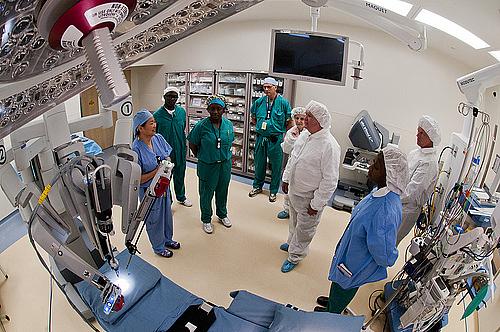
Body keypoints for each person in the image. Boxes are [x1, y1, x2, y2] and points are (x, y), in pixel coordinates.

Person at [314, 146, 409, 313]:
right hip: (352, 251)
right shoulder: (378, 191)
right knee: (339, 281)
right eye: (374, 162)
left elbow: (384, 252)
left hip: (357, 262)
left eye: (377, 166)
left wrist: (390, 258)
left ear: (390, 176)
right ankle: (332, 303)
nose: (371, 166)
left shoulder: (385, 209)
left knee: (345, 285)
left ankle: (331, 314)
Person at [279, 101, 341, 273]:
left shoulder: (329, 145)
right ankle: (292, 243)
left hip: (310, 197)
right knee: (294, 222)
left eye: (309, 116)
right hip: (295, 190)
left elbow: (330, 180)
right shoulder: (306, 135)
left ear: (320, 120)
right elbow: (293, 158)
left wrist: (317, 204)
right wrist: (286, 179)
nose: (304, 119)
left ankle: (295, 256)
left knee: (305, 228)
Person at [132, 109, 180, 257]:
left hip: (163, 186)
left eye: (154, 122)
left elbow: (168, 156)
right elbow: (138, 179)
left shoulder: (158, 138)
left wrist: (167, 164)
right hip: (149, 191)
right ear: (140, 127)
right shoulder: (136, 149)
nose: (155, 125)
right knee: (154, 219)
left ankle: (167, 239)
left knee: (166, 214)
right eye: (151, 123)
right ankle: (158, 247)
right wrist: (157, 172)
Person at [188, 95, 234, 234]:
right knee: (206, 193)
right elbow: (192, 143)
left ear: (223, 110)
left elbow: (229, 142)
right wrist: (202, 156)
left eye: (218, 109)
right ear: (208, 109)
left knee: (222, 191)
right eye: (212, 109)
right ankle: (206, 219)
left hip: (224, 165)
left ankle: (222, 214)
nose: (215, 112)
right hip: (207, 165)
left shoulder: (228, 125)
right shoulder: (201, 126)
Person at [396, 115, 440, 245]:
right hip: (398, 201)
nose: (417, 135)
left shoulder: (430, 163)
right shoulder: (415, 153)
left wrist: (391, 199)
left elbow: (412, 193)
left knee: (389, 243)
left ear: (431, 137)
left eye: (422, 133)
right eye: (418, 131)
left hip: (406, 210)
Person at [249, 77, 293, 202]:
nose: (266, 89)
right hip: (261, 138)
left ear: (275, 87)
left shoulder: (283, 103)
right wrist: (263, 128)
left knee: (276, 165)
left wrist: (278, 131)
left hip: (276, 139)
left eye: (269, 87)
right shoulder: (259, 102)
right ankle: (257, 186)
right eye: (264, 87)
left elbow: (289, 122)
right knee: (259, 163)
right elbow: (253, 118)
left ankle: (273, 190)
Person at [153, 87, 192, 207]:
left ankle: (181, 197)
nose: (172, 99)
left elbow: (183, 128)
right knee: (166, 177)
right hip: (165, 153)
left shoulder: (181, 112)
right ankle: (167, 201)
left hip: (180, 150)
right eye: (169, 96)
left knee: (180, 175)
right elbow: (154, 136)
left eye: (174, 96)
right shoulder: (157, 115)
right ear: (164, 97)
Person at [277, 106, 308, 220]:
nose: (299, 121)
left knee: (300, 190)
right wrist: (292, 139)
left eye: (302, 118)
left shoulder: (309, 133)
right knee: (288, 187)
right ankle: (286, 209)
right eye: (297, 118)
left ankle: (299, 211)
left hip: (304, 166)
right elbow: (286, 149)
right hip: (292, 161)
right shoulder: (291, 131)